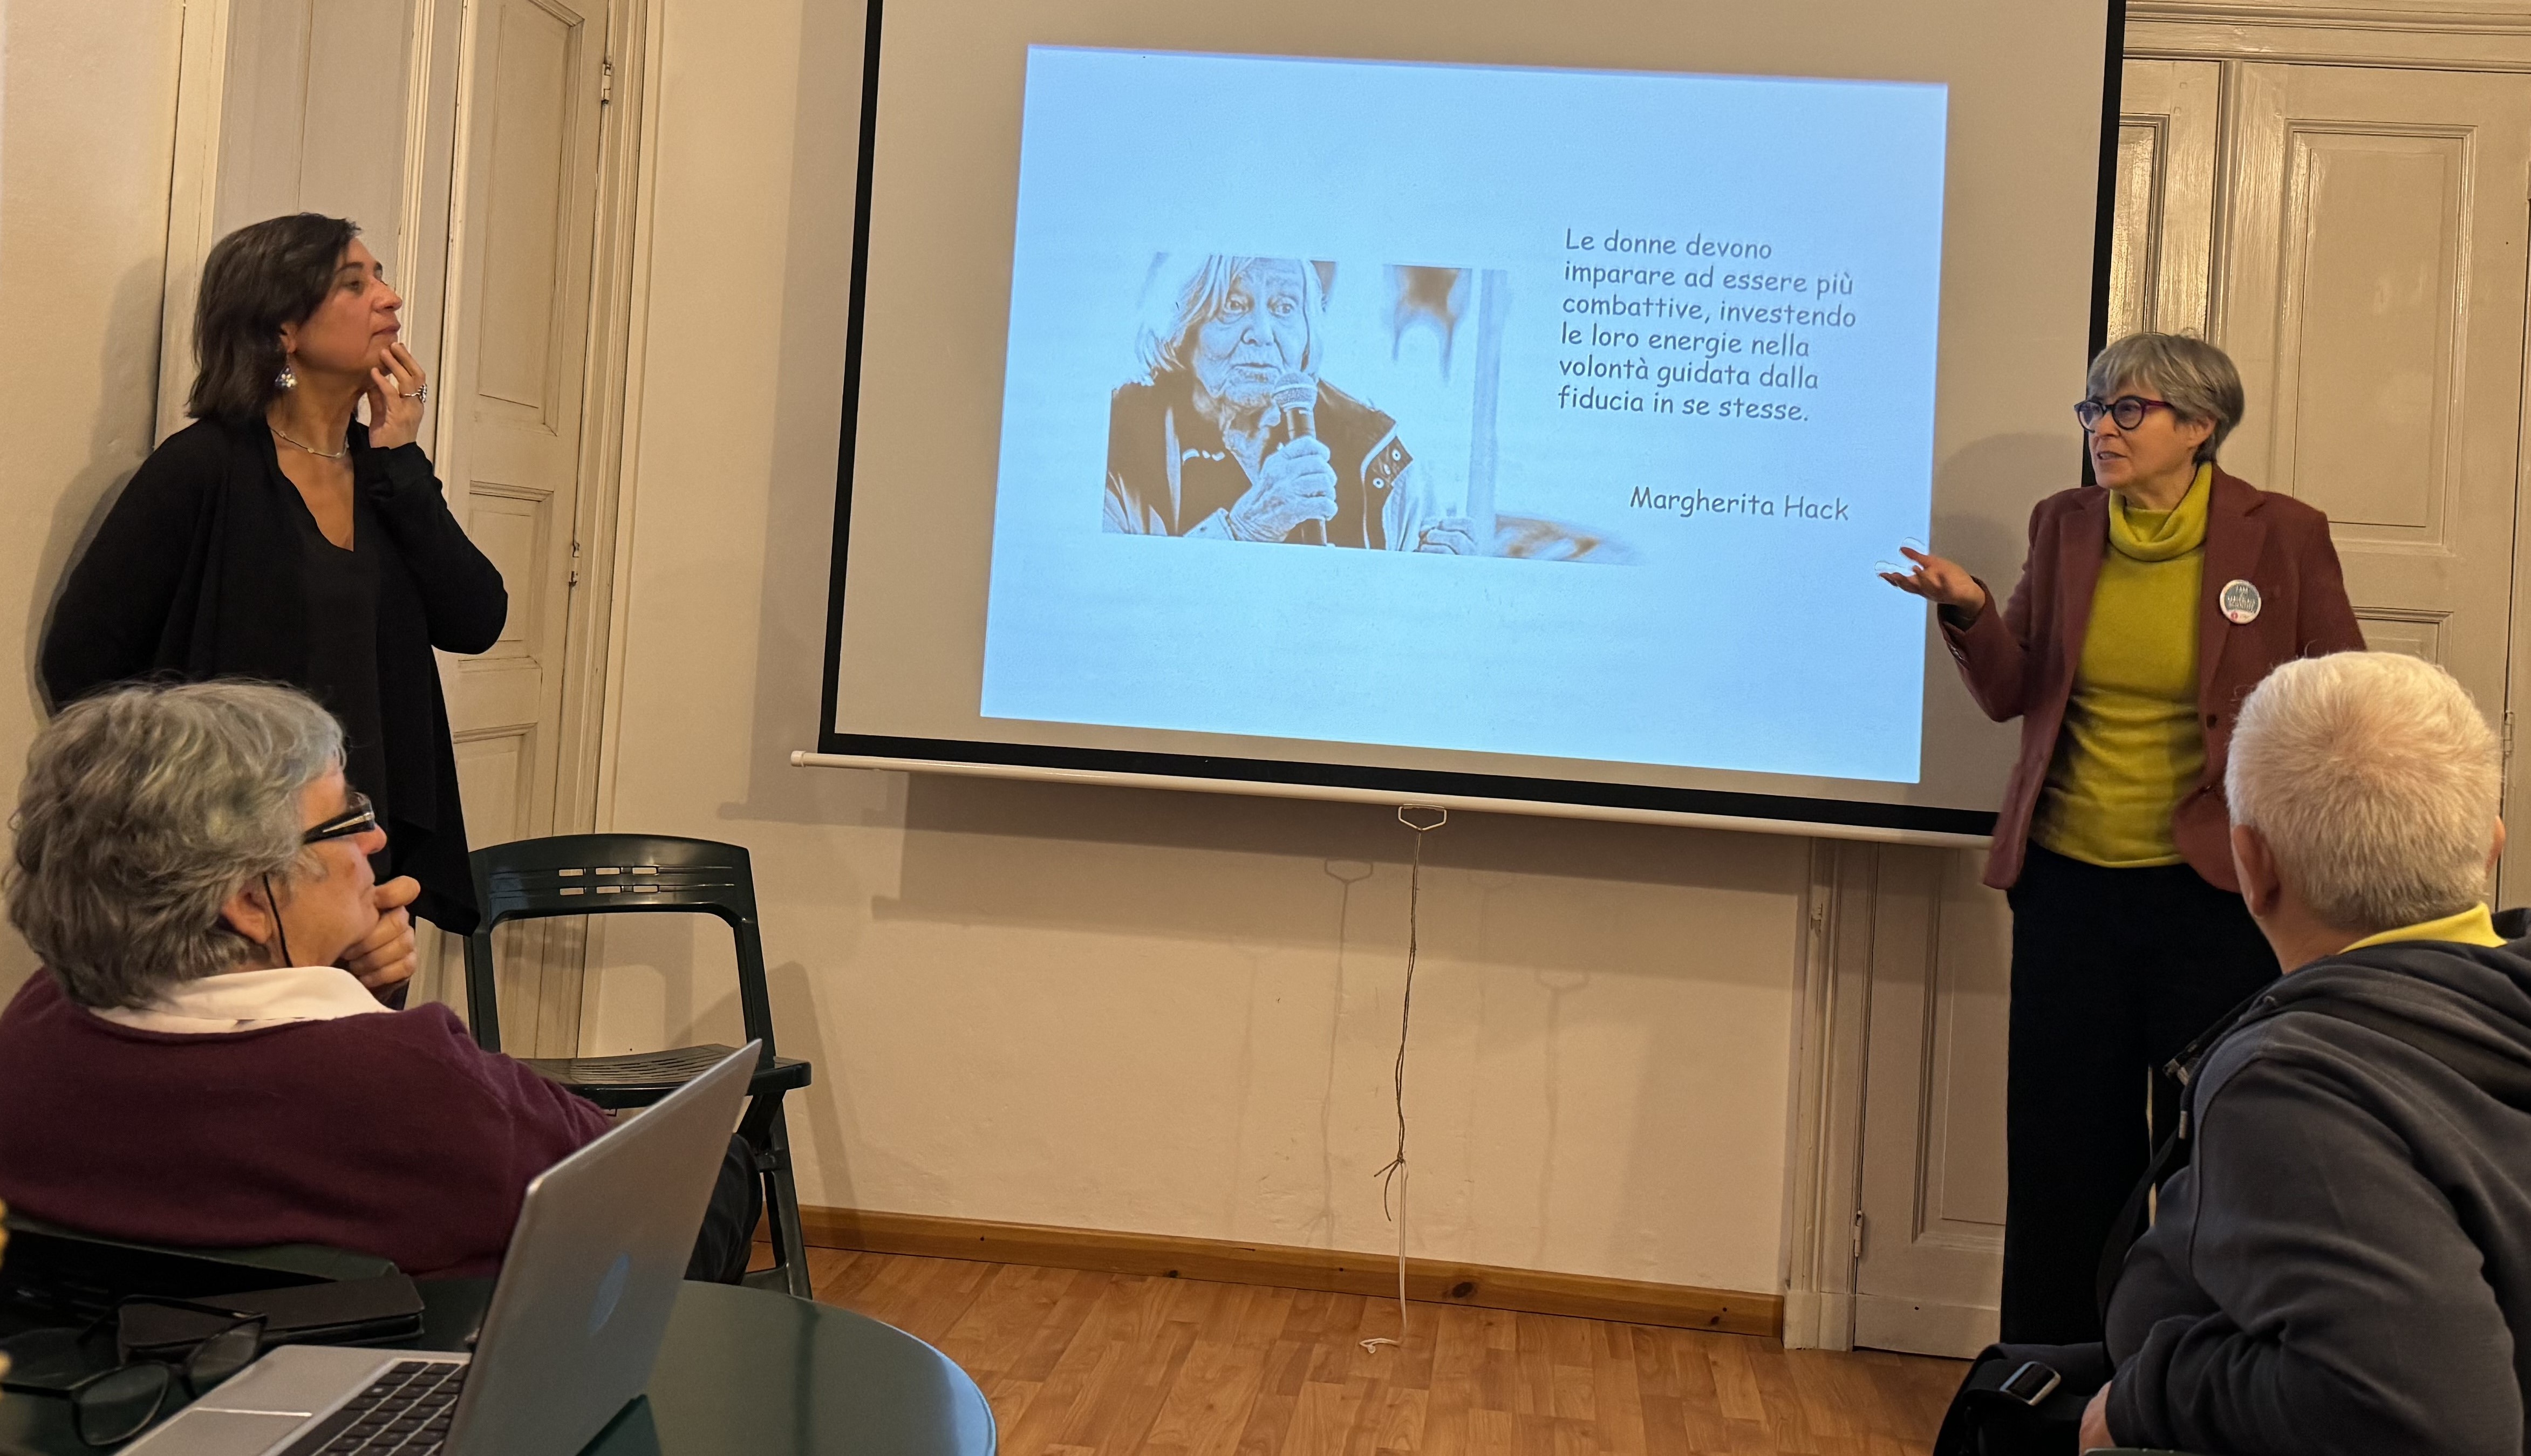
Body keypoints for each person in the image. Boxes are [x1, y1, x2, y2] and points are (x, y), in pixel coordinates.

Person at [1881, 332, 2365, 1343]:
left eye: (2127, 408)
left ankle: (2190, 1383)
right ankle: (2052, 1378)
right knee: (2062, 1155)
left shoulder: (2281, 534)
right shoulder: (2063, 524)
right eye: (2094, 408)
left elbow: (2339, 698)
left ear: (2199, 424)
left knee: (2211, 1151)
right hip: (2068, 888)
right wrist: (1969, 610)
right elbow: (2013, 689)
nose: (2102, 427)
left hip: (2216, 897)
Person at [0, 681, 759, 1282]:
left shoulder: (34, 1030)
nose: (375, 838)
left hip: (135, 1394)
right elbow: (622, 1178)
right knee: (720, 1171)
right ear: (248, 902)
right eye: (343, 822)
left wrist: (336, 980)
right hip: (434, 1391)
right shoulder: (412, 1078)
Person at [2078, 652, 2531, 1455]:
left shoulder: (2289, 1085)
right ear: (2490, 846)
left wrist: (2143, 1400)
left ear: (2250, 866)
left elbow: (2430, 1419)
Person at [41, 213, 507, 975]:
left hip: (363, 854)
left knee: (359, 1043)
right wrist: (179, 813)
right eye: (354, 283)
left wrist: (401, 459)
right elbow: (81, 667)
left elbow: (478, 618)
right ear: (284, 327)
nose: (389, 298)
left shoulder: (385, 477)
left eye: (380, 276)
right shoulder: (202, 469)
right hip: (234, 876)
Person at [1104, 255, 1480, 553]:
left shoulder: (1377, 457)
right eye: (1233, 305)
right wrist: (1241, 531)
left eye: (1284, 308)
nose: (1262, 334)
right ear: (1187, 328)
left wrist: (1436, 578)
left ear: (1308, 332)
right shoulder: (1120, 441)